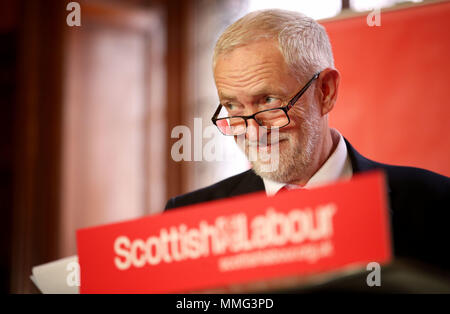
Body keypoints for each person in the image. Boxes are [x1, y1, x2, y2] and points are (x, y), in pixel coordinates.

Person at [165, 9, 449, 271]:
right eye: (233, 107)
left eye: (268, 101)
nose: (252, 132)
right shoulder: (189, 221)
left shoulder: (435, 203)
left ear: (325, 91)